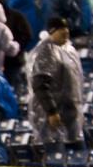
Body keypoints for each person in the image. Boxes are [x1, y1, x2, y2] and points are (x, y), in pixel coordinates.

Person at [27, 18, 85, 151]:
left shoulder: (68, 50)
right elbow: (40, 84)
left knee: (77, 158)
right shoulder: (46, 51)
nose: (65, 33)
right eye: (61, 31)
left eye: (67, 31)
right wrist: (51, 111)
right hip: (53, 115)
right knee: (57, 159)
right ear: (52, 32)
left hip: (70, 112)